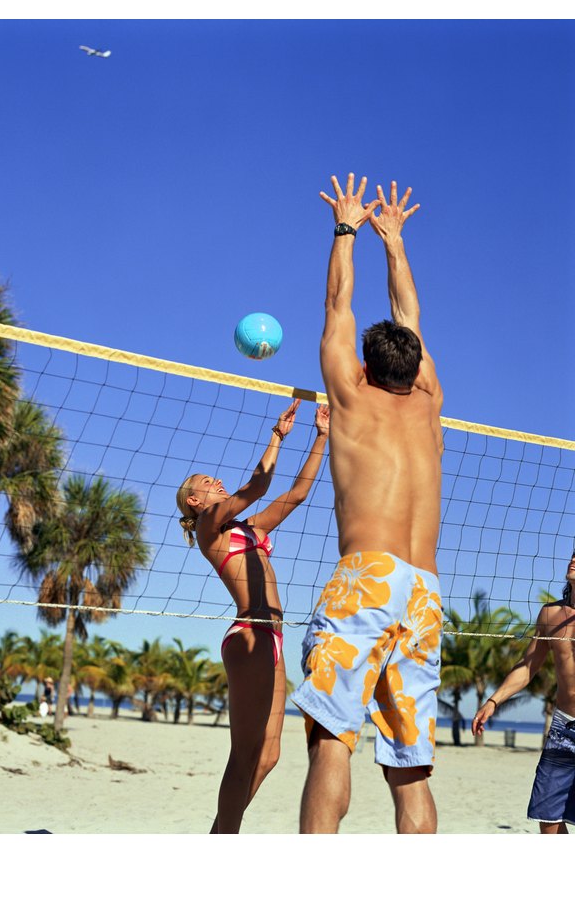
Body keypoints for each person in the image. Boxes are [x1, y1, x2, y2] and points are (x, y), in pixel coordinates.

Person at [291, 173, 444, 834]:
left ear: (365, 365)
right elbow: (409, 317)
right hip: (424, 592)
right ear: (417, 370)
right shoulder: (432, 402)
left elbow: (337, 307)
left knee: (332, 739)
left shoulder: (350, 394)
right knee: (410, 771)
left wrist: (346, 229)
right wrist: (397, 241)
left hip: (368, 578)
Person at [176, 399, 330, 833]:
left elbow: (296, 494)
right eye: (209, 481)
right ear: (194, 500)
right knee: (243, 756)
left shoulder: (251, 530)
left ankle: (219, 833)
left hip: (274, 639)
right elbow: (255, 487)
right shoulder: (210, 528)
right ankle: (224, 841)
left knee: (269, 755)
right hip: (249, 635)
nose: (217, 481)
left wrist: (321, 436)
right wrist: (277, 438)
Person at [472, 549, 575, 833]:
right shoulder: (551, 614)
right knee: (549, 818)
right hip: (564, 726)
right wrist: (494, 700)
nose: (573, 559)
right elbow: (528, 667)